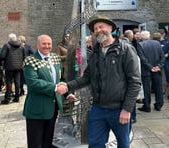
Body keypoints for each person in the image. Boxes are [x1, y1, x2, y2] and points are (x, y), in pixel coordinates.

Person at [59, 15, 141, 148]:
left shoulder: (125, 50)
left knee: (123, 144)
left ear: (110, 28)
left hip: (119, 109)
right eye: (95, 28)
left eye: (101, 27)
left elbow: (135, 82)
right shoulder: (95, 53)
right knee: (95, 144)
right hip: (98, 109)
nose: (97, 30)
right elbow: (87, 78)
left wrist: (127, 109)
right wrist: (67, 86)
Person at [22, 34, 75, 148]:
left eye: (49, 44)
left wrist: (67, 93)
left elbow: (60, 79)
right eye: (44, 44)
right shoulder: (30, 60)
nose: (47, 46)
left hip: (52, 108)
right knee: (35, 143)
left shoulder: (55, 58)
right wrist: (55, 88)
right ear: (37, 45)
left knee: (48, 141)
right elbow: (33, 83)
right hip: (37, 109)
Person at [138, 31, 165, 112]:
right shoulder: (157, 43)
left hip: (146, 70)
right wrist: (159, 66)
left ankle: (147, 106)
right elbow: (162, 56)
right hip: (157, 69)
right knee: (158, 88)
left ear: (141, 37)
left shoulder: (140, 44)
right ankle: (159, 105)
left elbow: (142, 58)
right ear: (149, 36)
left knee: (146, 89)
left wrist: (150, 67)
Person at [0, 33, 26, 104]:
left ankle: (7, 99)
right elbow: (24, 56)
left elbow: (2, 56)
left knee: (9, 83)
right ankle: (17, 98)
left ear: (10, 39)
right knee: (17, 82)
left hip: (9, 67)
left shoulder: (7, 45)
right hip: (18, 67)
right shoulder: (21, 46)